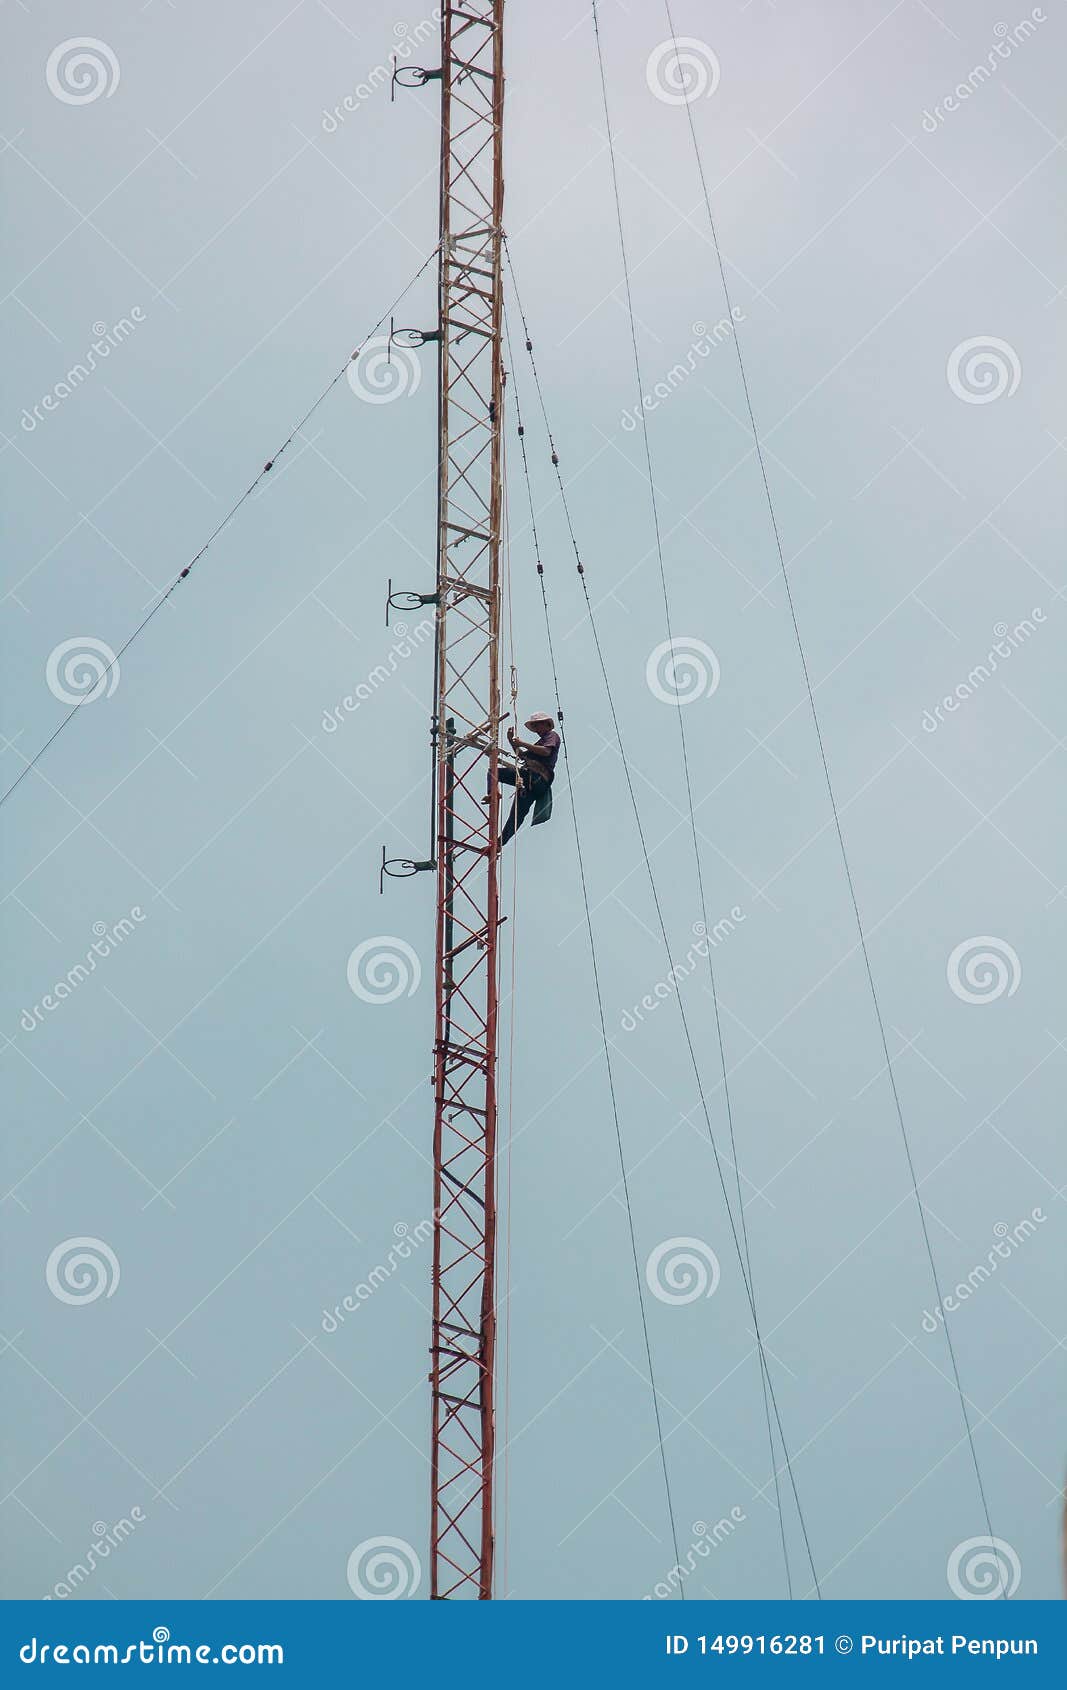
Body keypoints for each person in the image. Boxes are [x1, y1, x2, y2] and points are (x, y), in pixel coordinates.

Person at [487, 710, 560, 845]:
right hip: (531, 783)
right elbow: (522, 755)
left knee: (494, 772)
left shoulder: (552, 736)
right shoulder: (539, 743)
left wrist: (522, 743)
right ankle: (499, 843)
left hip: (536, 778)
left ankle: (492, 794)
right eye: (535, 726)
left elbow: (546, 751)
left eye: (538, 725)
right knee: (517, 815)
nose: (536, 729)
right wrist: (511, 741)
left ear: (547, 724)